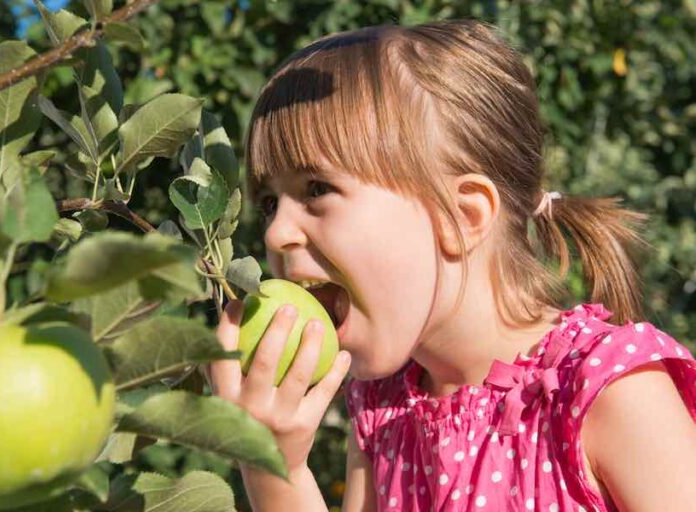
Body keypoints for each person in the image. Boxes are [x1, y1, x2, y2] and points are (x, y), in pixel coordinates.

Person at [205, 19, 696, 511]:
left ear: (461, 217)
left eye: (317, 189)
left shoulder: (604, 392)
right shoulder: (381, 410)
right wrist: (274, 466)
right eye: (269, 202)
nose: (274, 232)